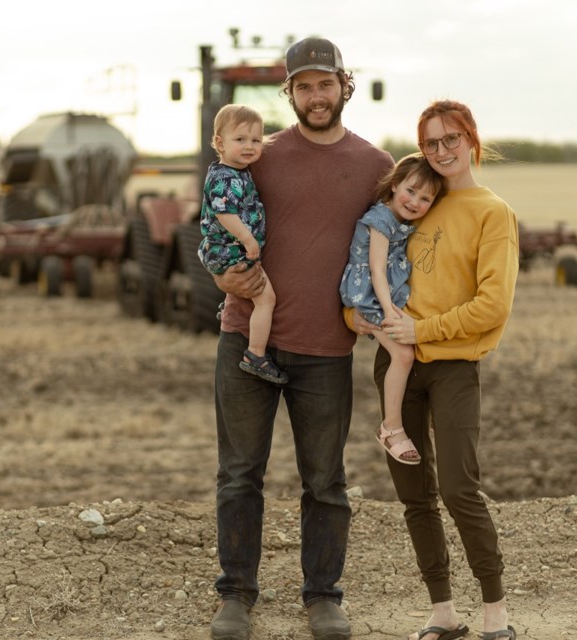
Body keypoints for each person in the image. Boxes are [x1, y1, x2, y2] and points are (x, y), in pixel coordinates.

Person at [208, 37, 394, 640]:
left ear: (346, 85)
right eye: (304, 86)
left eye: (325, 84)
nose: (316, 96)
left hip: (325, 349)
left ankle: (323, 597)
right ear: (289, 93)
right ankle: (236, 595)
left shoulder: (375, 166)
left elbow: (398, 244)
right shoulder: (257, 154)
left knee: (326, 480)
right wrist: (218, 273)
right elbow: (214, 221)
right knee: (240, 474)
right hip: (247, 340)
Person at [345, 99, 519, 640]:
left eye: (450, 139)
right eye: (430, 143)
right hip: (394, 364)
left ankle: (496, 616)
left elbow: (493, 305)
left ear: (470, 139)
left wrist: (422, 331)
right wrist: (365, 320)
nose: (441, 151)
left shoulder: (493, 212)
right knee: (413, 494)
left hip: (451, 367)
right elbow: (366, 270)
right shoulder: (416, 202)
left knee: (459, 488)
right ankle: (442, 612)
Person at [339, 154, 446, 466]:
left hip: (382, 293)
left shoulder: (400, 219)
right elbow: (376, 268)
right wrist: (388, 311)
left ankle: (422, 418)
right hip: (369, 295)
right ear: (395, 183)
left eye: (425, 198)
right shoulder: (381, 220)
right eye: (410, 191)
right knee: (403, 354)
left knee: (413, 348)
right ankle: (391, 428)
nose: (415, 202)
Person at [198, 104, 287, 385]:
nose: (249, 146)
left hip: (231, 248)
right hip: (231, 249)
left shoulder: (237, 170)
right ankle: (255, 354)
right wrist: (248, 238)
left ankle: (231, 307)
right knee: (266, 299)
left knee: (255, 295)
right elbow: (225, 213)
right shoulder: (225, 177)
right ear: (219, 143)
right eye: (241, 140)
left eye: (256, 140)